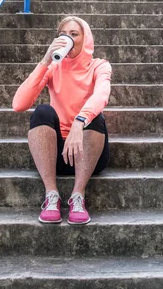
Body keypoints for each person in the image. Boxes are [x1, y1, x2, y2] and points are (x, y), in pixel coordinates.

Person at [12, 16, 112, 225]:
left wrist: (79, 121)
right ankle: (51, 195)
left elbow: (101, 95)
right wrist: (45, 61)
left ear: (86, 38)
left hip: (89, 155)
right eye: (63, 35)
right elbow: (19, 104)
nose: (69, 38)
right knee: (42, 111)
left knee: (95, 117)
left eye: (74, 34)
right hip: (54, 155)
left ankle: (78, 195)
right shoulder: (53, 68)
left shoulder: (99, 66)